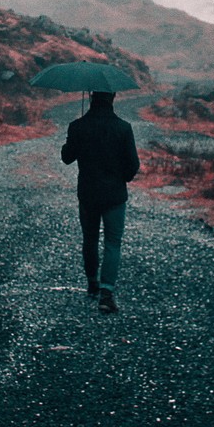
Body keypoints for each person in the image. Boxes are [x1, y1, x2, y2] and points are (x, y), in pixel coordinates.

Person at [61, 91, 140, 314]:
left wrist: (72, 140)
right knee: (113, 243)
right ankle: (106, 293)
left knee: (90, 238)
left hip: (87, 193)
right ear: (113, 98)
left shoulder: (78, 126)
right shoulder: (123, 128)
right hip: (115, 195)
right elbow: (133, 165)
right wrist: (121, 178)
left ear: (92, 97)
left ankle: (91, 282)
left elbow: (67, 158)